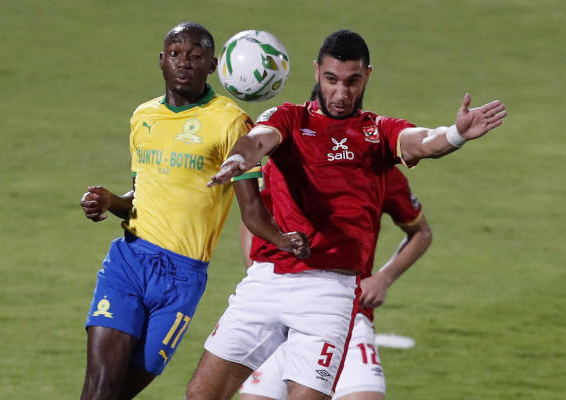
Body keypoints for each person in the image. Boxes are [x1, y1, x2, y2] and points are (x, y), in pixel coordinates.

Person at [185, 29, 506, 400]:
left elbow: (423, 141)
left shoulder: (377, 131)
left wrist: (455, 134)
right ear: (316, 72)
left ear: (367, 76)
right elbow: (257, 141)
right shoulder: (289, 118)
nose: (341, 93)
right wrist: (239, 159)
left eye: (352, 82)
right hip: (267, 282)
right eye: (331, 80)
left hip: (329, 294)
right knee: (200, 395)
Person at [77, 22, 276, 399]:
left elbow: (252, 205)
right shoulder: (143, 117)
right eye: (175, 54)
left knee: (119, 392)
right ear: (161, 60)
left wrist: (281, 241)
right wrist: (109, 201)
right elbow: (143, 197)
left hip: (182, 278)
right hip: (129, 262)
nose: (184, 62)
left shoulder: (231, 122)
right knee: (99, 389)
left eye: (195, 56)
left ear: (212, 65)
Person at [239, 162, 432, 400]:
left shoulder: (382, 171)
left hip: (344, 310)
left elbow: (421, 232)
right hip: (278, 304)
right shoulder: (285, 160)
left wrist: (383, 279)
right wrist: (257, 273)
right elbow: (251, 217)